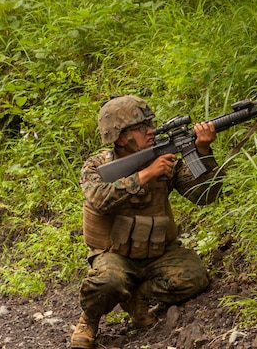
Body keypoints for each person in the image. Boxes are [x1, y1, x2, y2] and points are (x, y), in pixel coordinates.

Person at [71, 95, 225, 349]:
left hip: (158, 253)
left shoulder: (165, 160)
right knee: (108, 281)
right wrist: (146, 175)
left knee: (194, 277)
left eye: (151, 125)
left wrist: (204, 151)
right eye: (142, 128)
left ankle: (138, 298)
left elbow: (206, 195)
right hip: (115, 254)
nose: (151, 131)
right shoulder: (97, 165)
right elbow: (98, 199)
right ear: (120, 137)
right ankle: (89, 319)